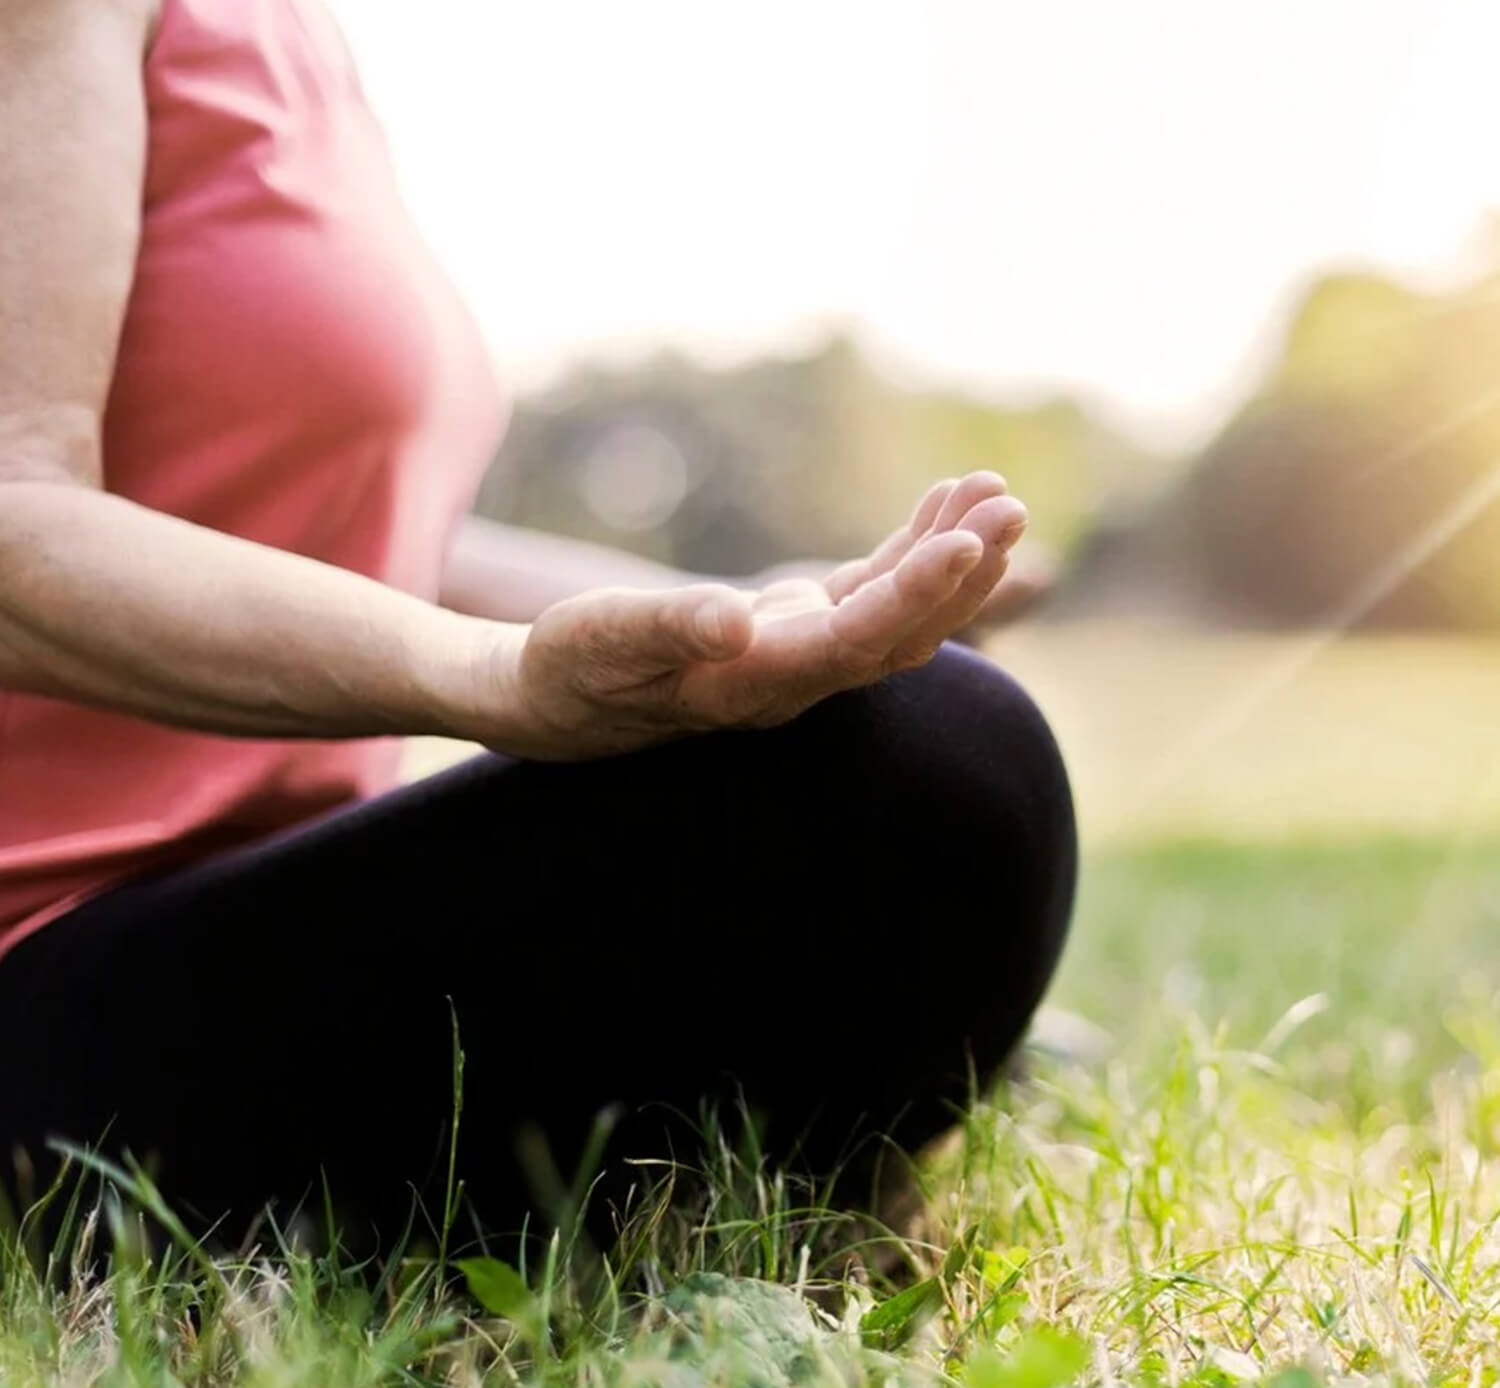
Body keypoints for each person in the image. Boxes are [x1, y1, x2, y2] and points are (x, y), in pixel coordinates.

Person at [0, 0, 1077, 1252]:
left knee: (882, 728)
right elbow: (14, 521)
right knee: (936, 758)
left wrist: (749, 622)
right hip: (38, 984)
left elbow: (353, 526)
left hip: (224, 903)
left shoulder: (294, 39)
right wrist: (491, 678)